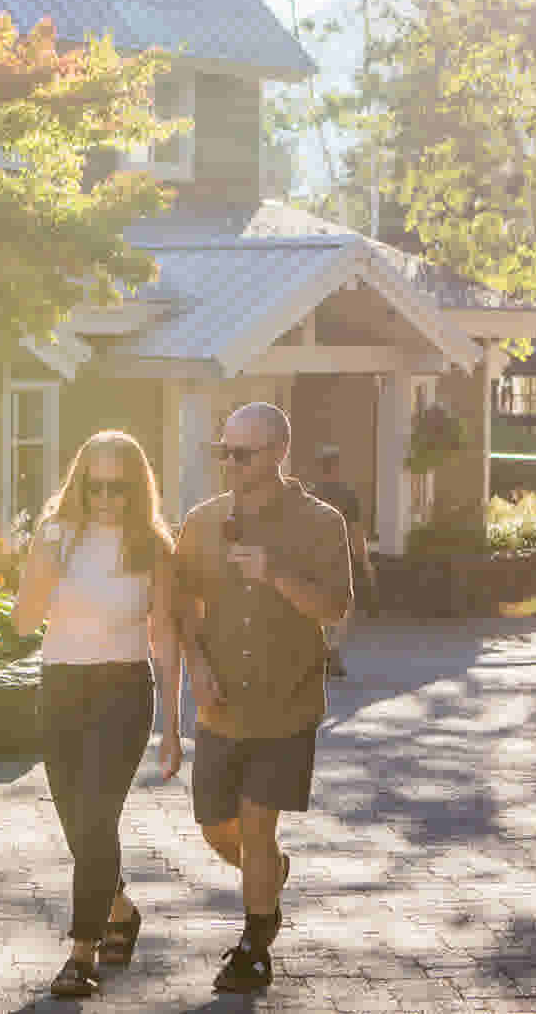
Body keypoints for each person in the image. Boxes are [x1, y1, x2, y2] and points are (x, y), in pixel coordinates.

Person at [173, 402, 353, 993]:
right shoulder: (200, 522)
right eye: (223, 451)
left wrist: (272, 574)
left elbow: (334, 609)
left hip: (286, 704)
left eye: (242, 453)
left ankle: (254, 944)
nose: (229, 462)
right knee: (215, 828)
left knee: (255, 825)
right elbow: (181, 608)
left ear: (278, 453)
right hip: (218, 705)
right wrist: (195, 666)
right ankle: (270, 877)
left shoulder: (321, 523)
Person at [13, 430, 184, 1000]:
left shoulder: (153, 547)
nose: (107, 499)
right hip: (61, 686)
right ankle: (119, 908)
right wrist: (44, 563)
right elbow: (22, 621)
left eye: (119, 488)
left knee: (95, 818)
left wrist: (175, 725)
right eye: (96, 486)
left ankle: (80, 954)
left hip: (123, 691)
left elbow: (164, 637)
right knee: (78, 826)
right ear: (79, 483)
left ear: (138, 489)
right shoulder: (55, 535)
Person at [304, 445, 374, 678]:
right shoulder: (347, 496)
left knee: (315, 604)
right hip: (340, 558)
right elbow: (356, 532)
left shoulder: (309, 494)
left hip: (313, 558)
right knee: (345, 604)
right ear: (337, 468)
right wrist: (365, 563)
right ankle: (332, 650)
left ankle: (322, 649)